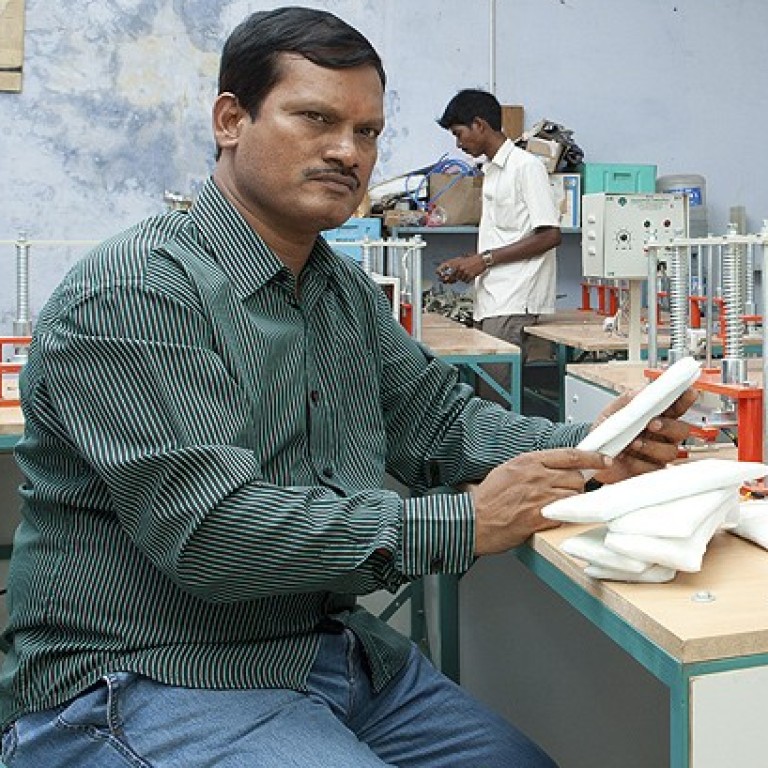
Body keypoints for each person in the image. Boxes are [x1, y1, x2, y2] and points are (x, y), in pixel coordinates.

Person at [0, 7, 695, 768]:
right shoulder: (136, 290)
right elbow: (212, 533)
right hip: (144, 673)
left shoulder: (340, 290)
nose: (347, 151)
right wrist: (462, 522)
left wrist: (597, 447)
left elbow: (440, 423)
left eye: (367, 132)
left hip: (319, 652)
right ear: (231, 119)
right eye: (315, 118)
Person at [436, 89, 561, 401]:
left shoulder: (525, 167)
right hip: (492, 298)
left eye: (459, 134)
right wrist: (468, 262)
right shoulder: (491, 171)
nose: (458, 144)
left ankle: (503, 453)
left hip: (514, 300)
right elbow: (507, 236)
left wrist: (485, 260)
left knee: (496, 402)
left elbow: (549, 236)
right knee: (484, 398)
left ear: (479, 125)